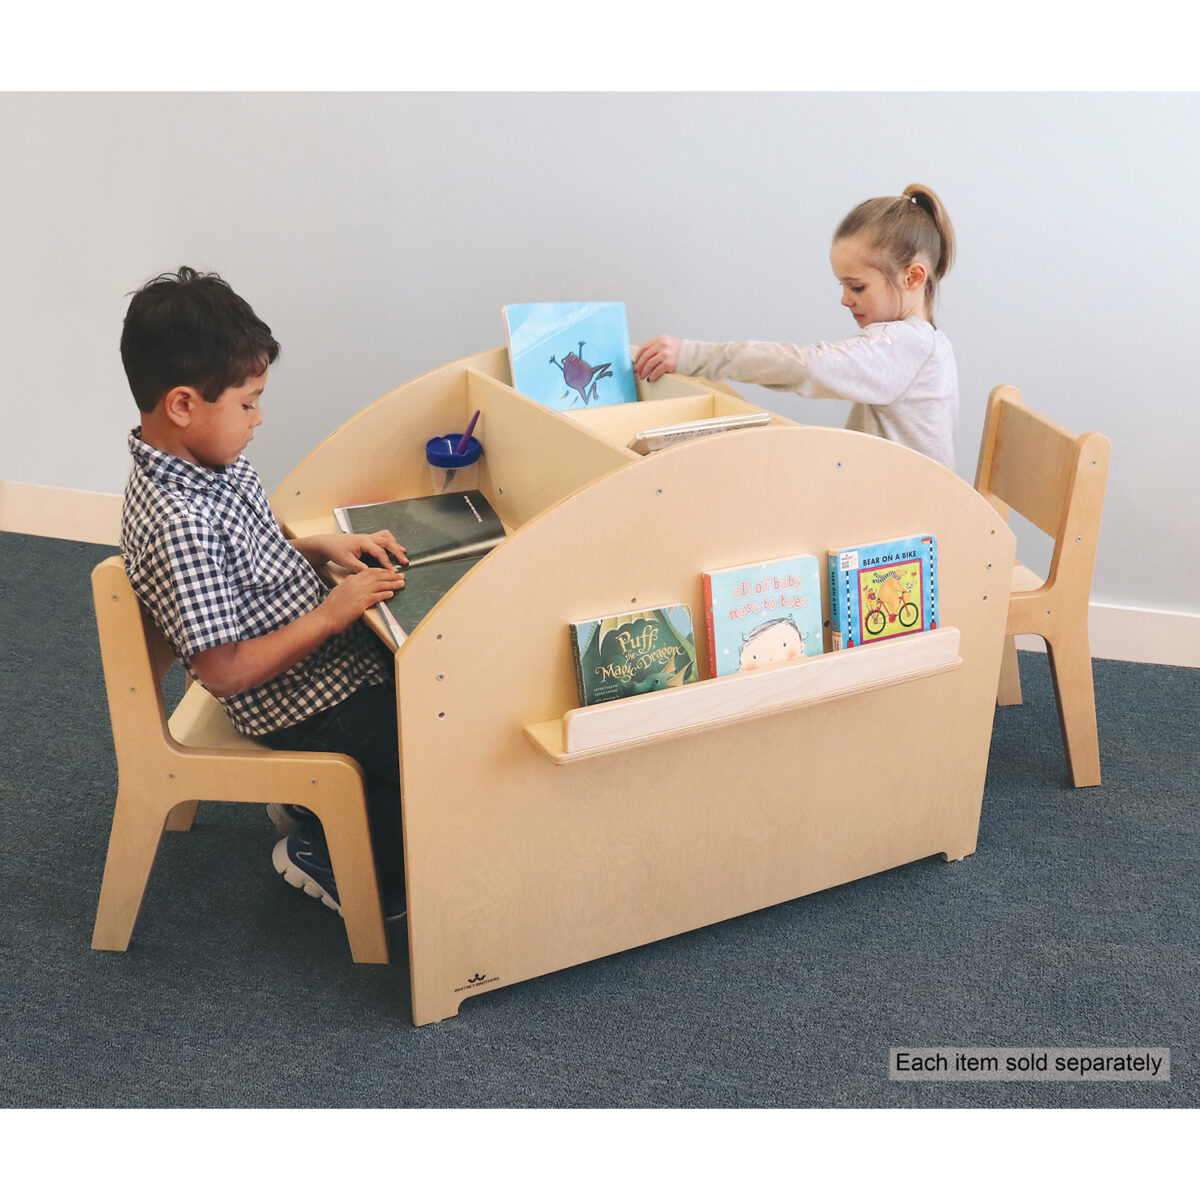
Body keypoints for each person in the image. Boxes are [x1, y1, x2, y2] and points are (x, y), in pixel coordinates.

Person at [118, 267, 409, 920]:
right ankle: (344, 864)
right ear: (183, 405)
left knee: (425, 674)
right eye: (247, 403)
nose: (258, 418)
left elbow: (250, 560)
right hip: (287, 698)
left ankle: (316, 805)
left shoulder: (211, 465)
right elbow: (223, 671)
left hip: (311, 660)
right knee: (415, 736)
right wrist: (332, 615)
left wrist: (320, 548)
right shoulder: (180, 522)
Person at [633, 184, 959, 472]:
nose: (845, 299)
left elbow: (808, 367)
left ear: (912, 277)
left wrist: (691, 356)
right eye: (842, 286)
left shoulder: (905, 343)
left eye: (857, 287)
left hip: (903, 515)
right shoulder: (932, 344)